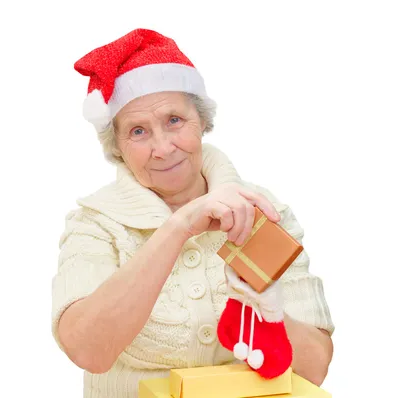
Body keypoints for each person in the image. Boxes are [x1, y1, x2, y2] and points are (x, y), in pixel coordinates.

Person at [51, 28, 335, 398]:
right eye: (138, 131)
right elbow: (88, 350)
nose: (163, 148)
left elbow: (315, 369)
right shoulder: (95, 222)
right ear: (118, 148)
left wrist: (270, 312)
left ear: (202, 122)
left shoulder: (263, 210)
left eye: (174, 121)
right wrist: (180, 225)